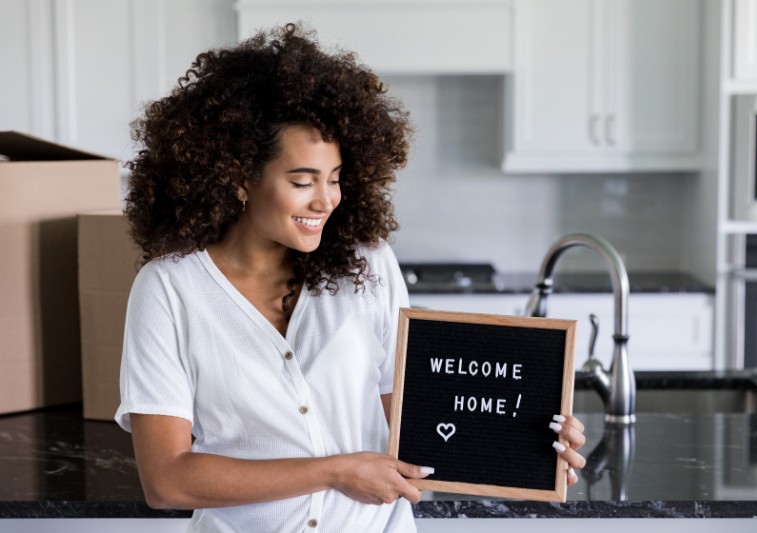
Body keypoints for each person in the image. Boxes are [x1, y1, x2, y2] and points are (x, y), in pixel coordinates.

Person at [115, 22, 586, 532]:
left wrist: (529, 445)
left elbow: (414, 435)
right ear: (237, 179)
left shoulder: (368, 264)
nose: (326, 200)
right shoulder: (170, 290)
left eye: (335, 179)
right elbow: (167, 481)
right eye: (302, 181)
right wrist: (336, 472)